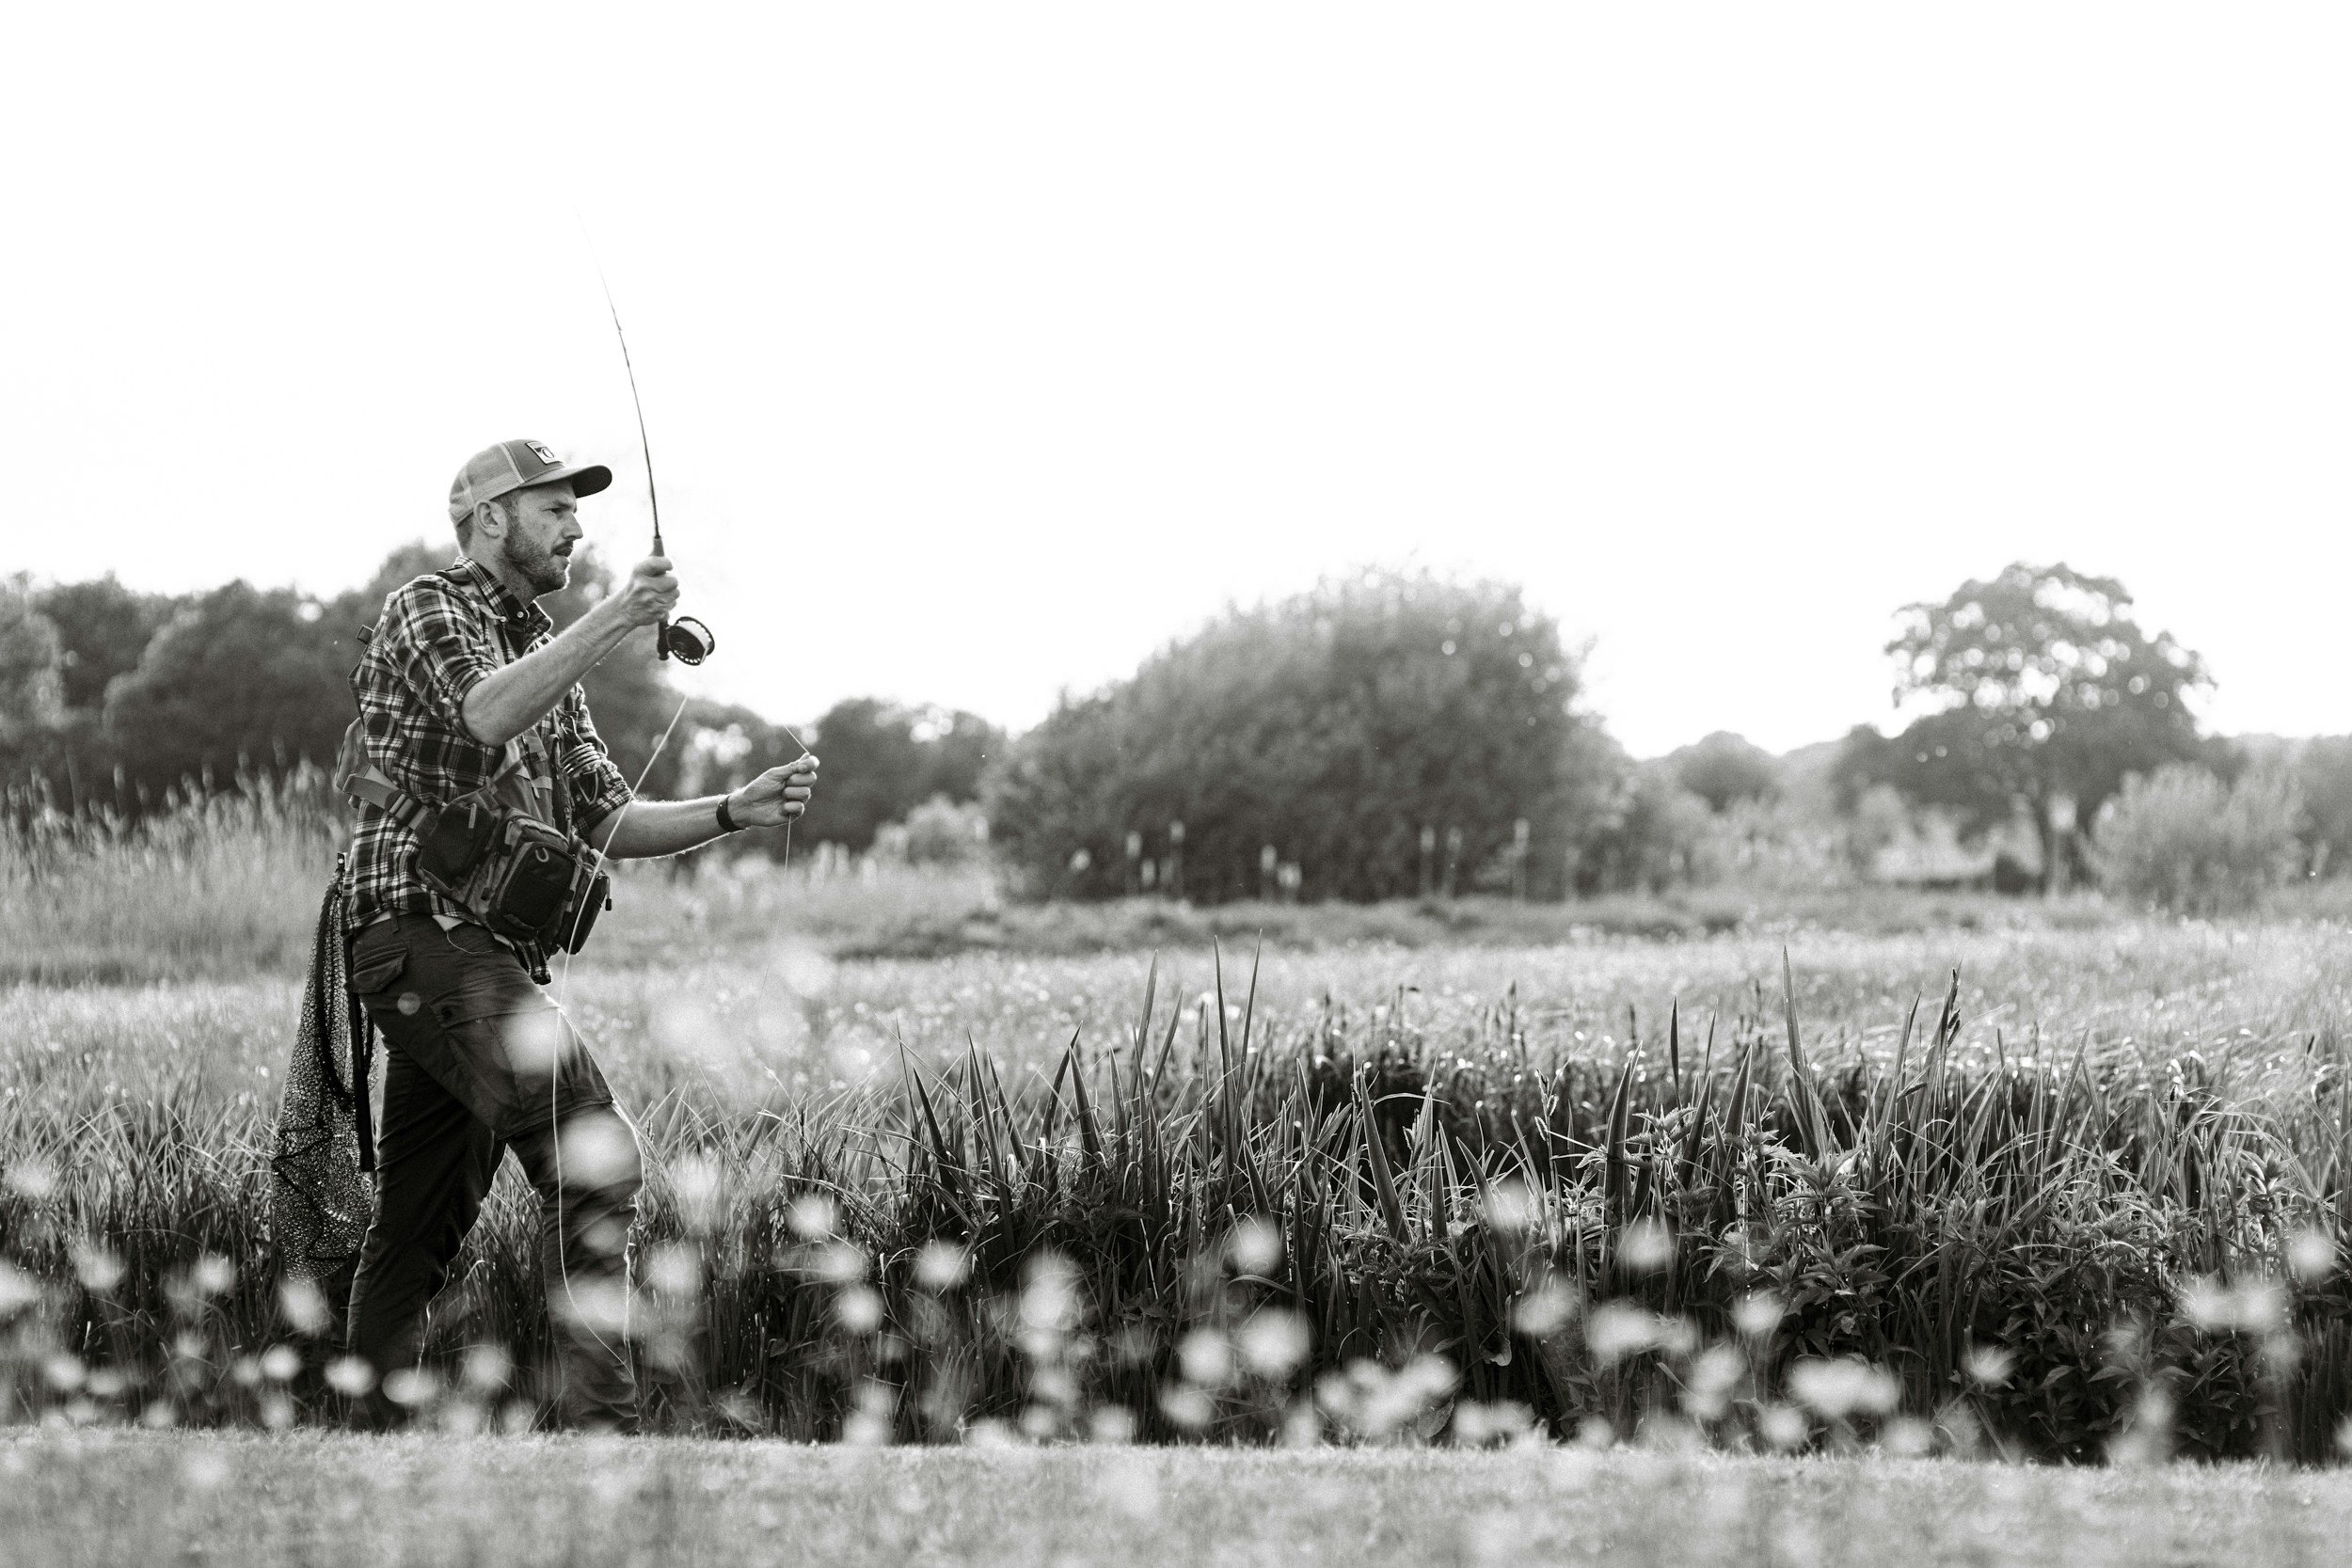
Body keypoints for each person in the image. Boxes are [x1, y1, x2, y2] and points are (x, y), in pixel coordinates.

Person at [338, 437, 818, 1429]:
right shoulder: (429, 606)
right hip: (419, 932)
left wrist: (736, 806)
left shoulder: (554, 658)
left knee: (419, 1225)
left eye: (576, 510)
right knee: (591, 1145)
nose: (575, 526)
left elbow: (606, 819)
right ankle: (604, 1426)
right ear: (487, 517)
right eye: (553, 508)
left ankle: (365, 1436)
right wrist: (617, 617)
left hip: (476, 959)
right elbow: (482, 715)